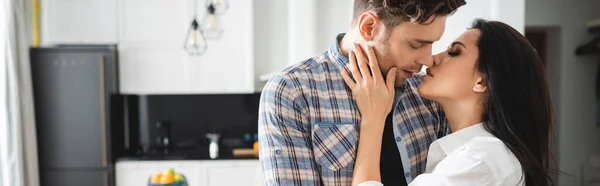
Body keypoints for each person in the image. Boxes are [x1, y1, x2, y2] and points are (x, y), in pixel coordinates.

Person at [258, 0, 466, 185]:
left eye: (432, 44)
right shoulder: (293, 91)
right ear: (369, 27)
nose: (427, 60)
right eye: (416, 44)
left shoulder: (428, 96)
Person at [343, 19, 553, 186]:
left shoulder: (480, 161)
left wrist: (372, 120)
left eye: (454, 52)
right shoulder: (483, 154)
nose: (431, 59)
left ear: (483, 81)